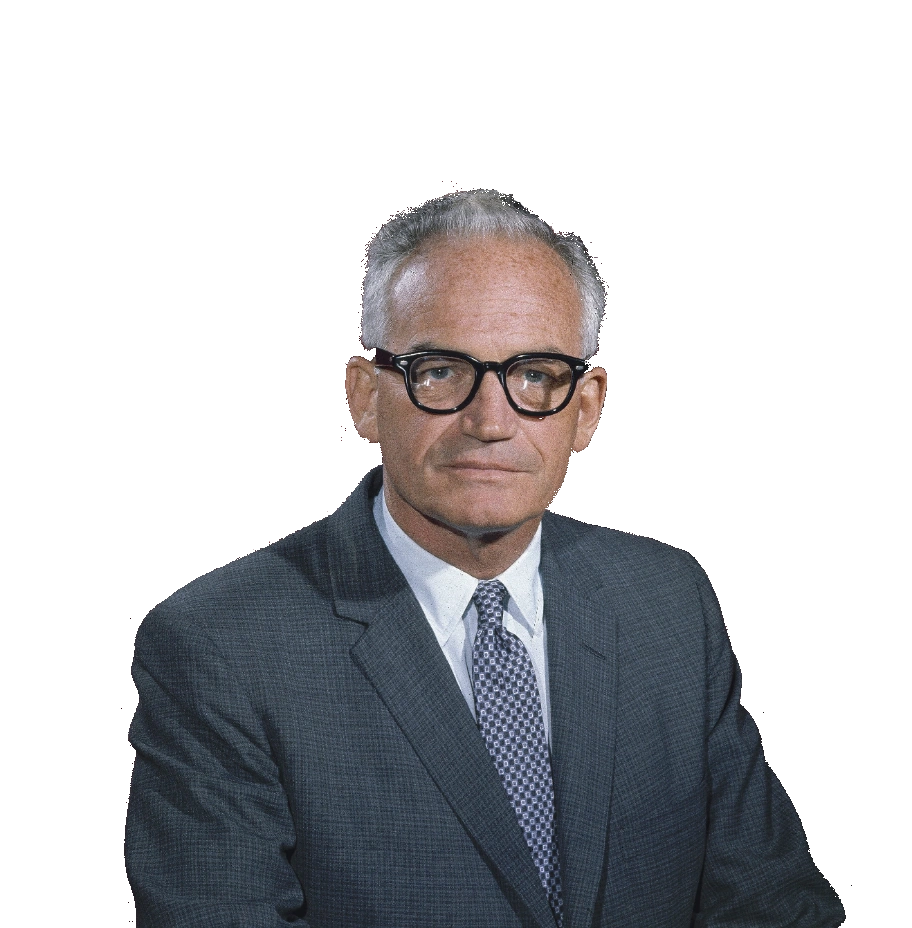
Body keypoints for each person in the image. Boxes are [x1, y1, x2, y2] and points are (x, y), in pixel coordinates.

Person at [127, 189, 846, 926]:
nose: (491, 421)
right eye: (440, 370)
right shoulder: (221, 649)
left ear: (587, 408)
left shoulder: (668, 606)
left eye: (536, 374)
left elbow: (773, 906)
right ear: (364, 396)